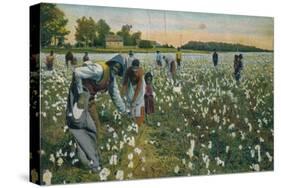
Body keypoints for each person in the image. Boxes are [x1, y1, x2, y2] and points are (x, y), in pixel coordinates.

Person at [122, 59, 146, 126]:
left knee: (138, 101)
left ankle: (138, 119)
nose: (135, 72)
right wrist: (123, 94)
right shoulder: (128, 71)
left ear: (138, 68)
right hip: (131, 84)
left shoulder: (141, 73)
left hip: (139, 86)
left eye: (136, 71)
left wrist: (134, 100)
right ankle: (130, 117)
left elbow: (138, 89)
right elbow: (124, 83)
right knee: (128, 99)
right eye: (133, 70)